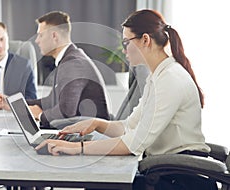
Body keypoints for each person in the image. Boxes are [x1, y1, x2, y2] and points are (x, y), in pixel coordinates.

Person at [36, 9, 210, 156]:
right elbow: (130, 126)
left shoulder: (170, 79)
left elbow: (133, 143)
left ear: (145, 40)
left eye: (126, 42)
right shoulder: (157, 76)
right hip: (166, 166)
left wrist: (77, 148)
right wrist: (97, 124)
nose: (123, 49)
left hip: (178, 174)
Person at [25, 11, 110, 128]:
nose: (37, 41)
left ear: (54, 36)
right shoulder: (67, 59)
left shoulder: (73, 63)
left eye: (41, 35)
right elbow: (51, 100)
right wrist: (19, 104)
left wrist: (40, 115)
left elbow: (66, 111)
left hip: (92, 137)